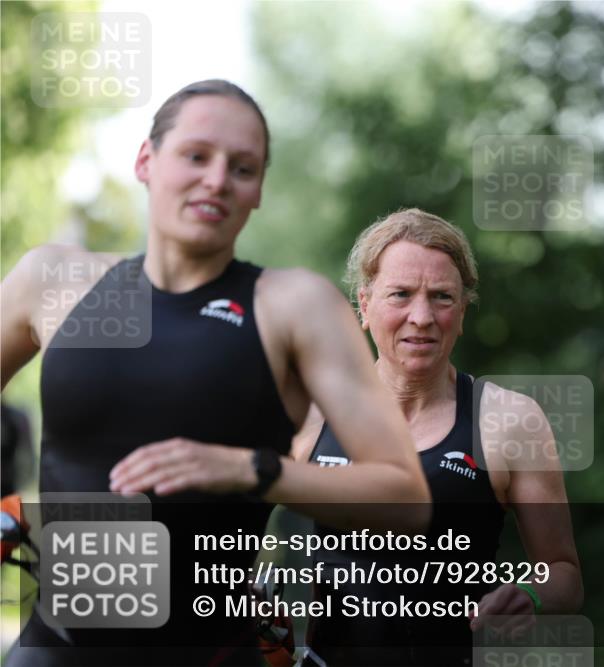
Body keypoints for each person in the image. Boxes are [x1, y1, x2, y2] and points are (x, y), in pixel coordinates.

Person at [0, 80, 429, 666]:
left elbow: (405, 499)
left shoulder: (295, 306)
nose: (218, 179)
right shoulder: (53, 282)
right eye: (196, 155)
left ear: (258, 191)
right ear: (146, 161)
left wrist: (249, 469)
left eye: (242, 168)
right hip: (55, 652)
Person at [289, 208, 584, 665]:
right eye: (401, 294)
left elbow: (564, 575)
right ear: (364, 305)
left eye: (442, 297)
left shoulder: (508, 421)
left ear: (462, 312)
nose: (422, 317)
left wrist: (530, 592)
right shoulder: (312, 414)